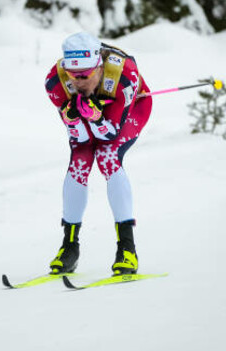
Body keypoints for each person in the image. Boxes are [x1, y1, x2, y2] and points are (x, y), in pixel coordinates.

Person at [44, 32, 152, 275]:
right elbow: (80, 140)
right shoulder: (55, 80)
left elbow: (109, 135)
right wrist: (73, 120)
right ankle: (69, 247)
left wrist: (96, 117)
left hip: (131, 108)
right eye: (73, 75)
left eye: (85, 75)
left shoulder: (124, 75)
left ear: (99, 67)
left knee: (107, 155)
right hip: (97, 116)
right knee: (80, 162)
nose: (79, 82)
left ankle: (127, 248)